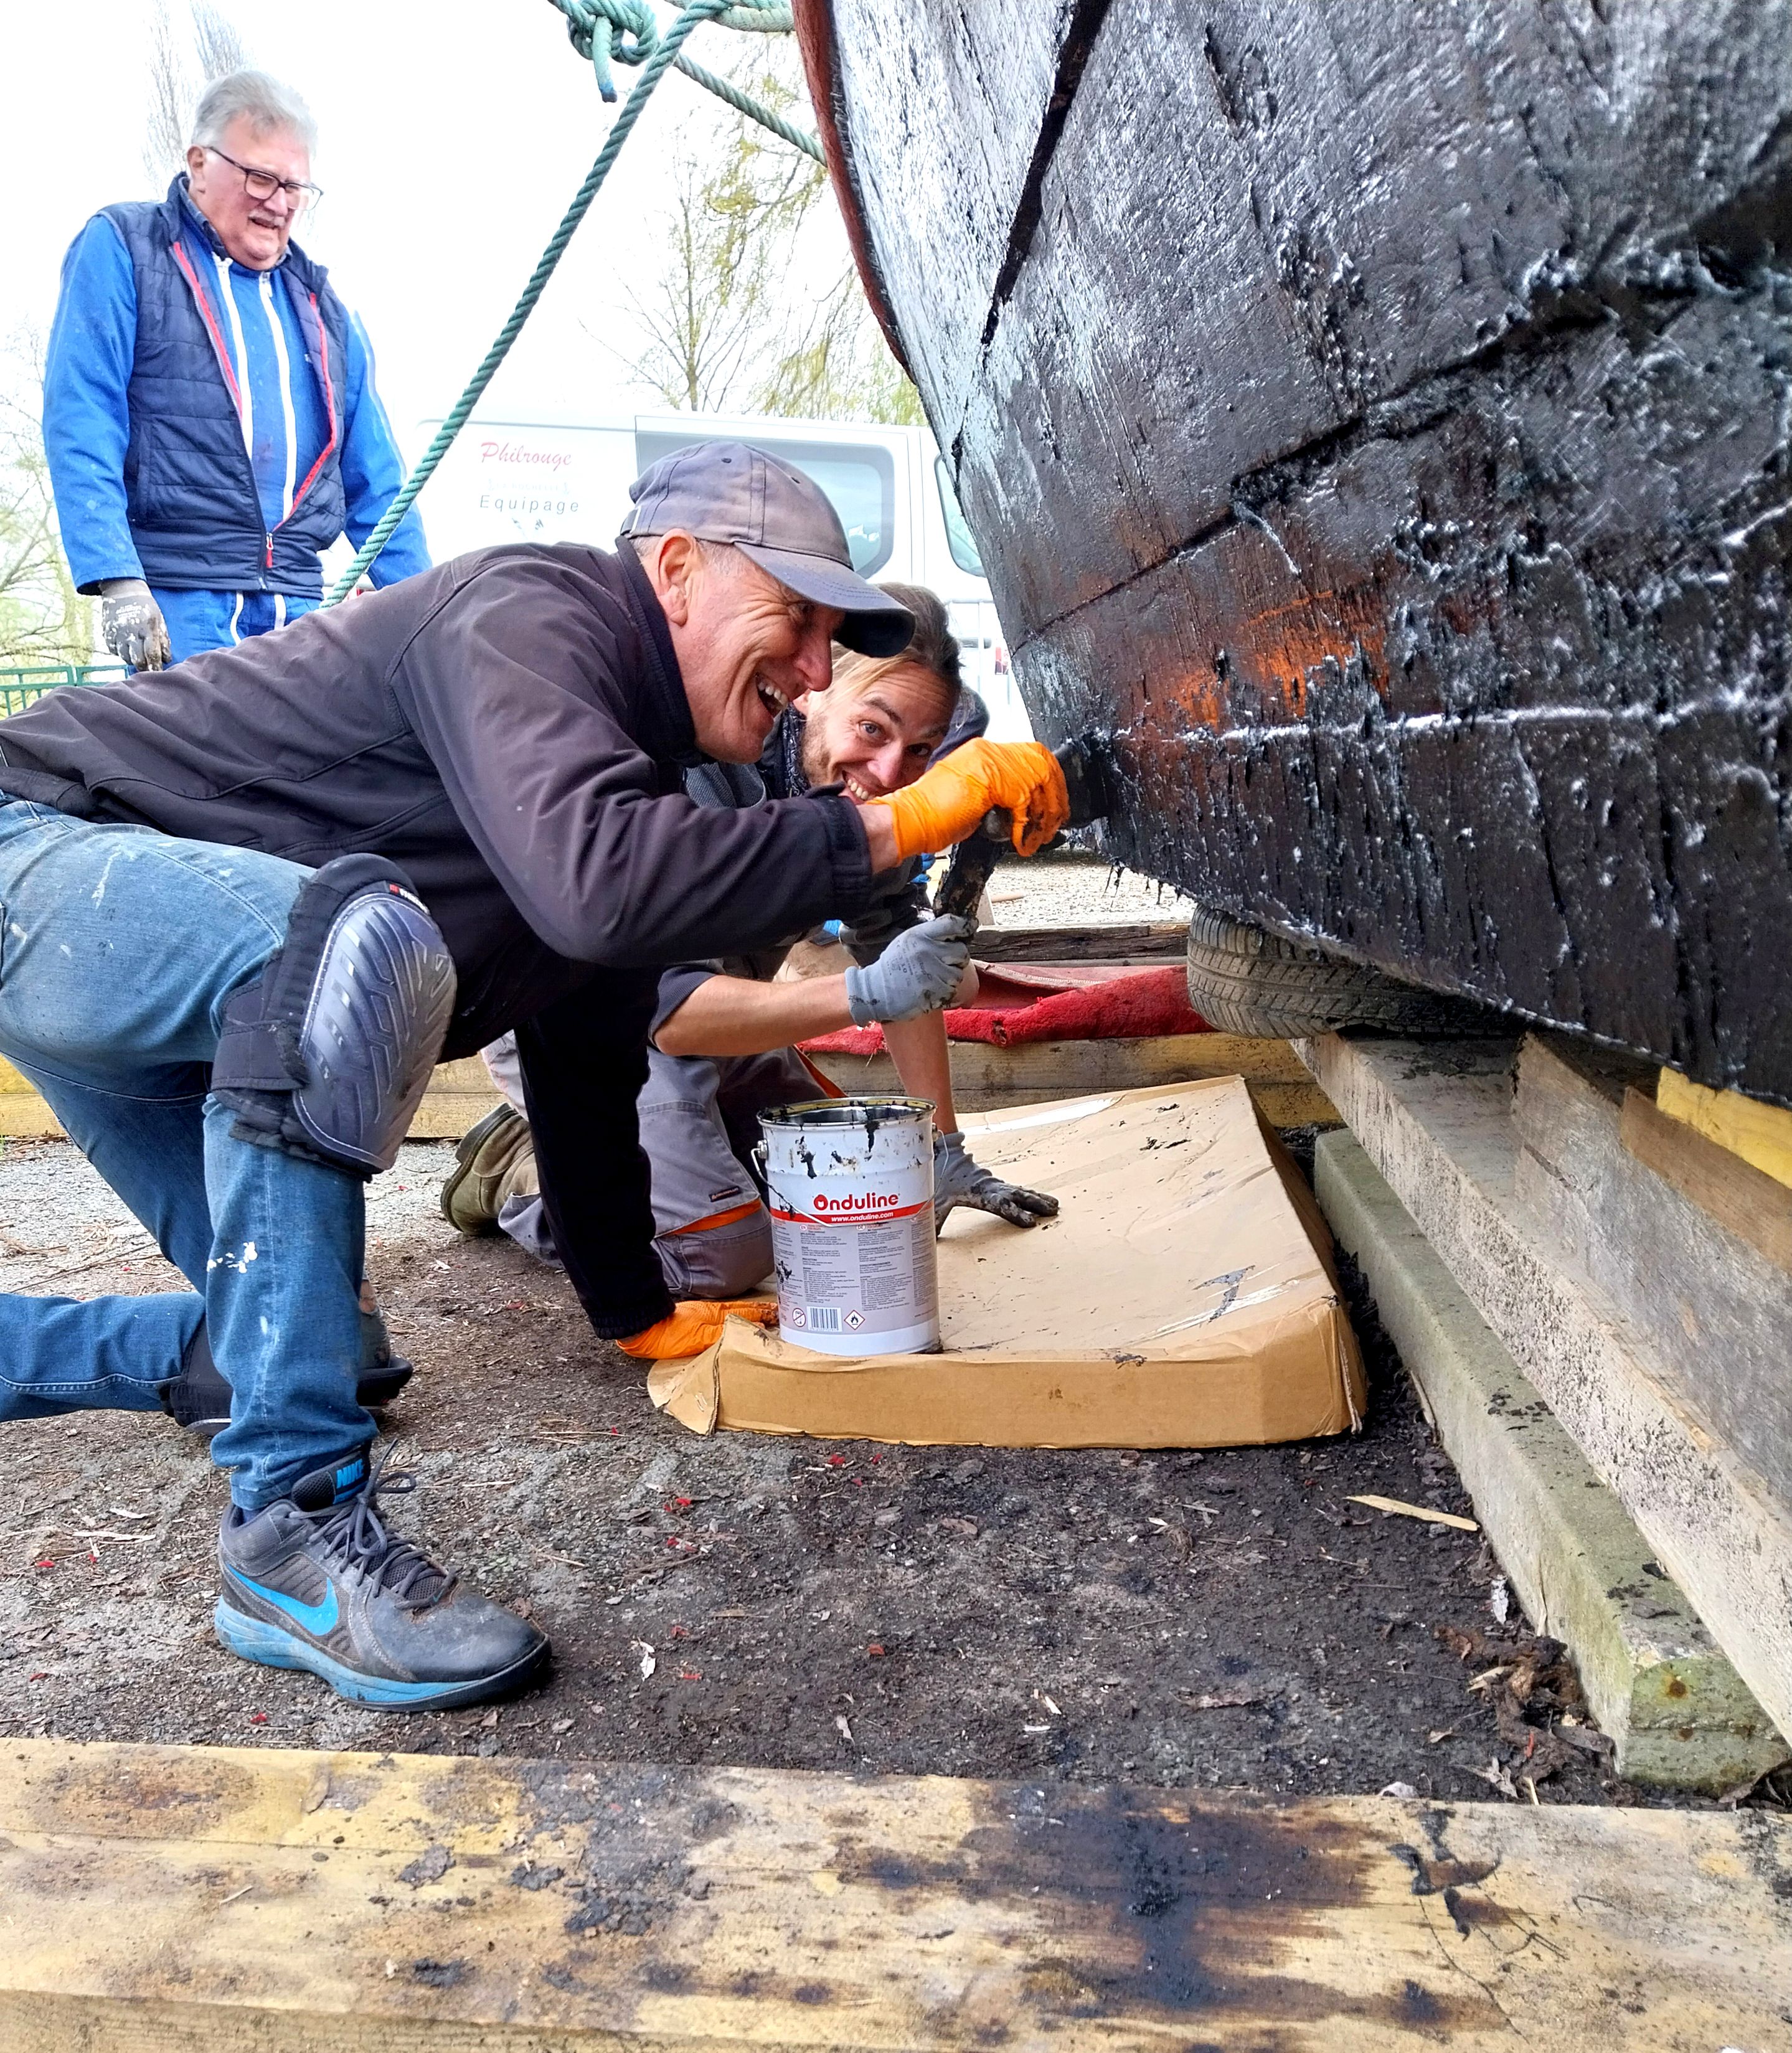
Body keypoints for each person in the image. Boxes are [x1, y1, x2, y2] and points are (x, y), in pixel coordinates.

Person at [0, 440, 1067, 1712]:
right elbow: (603, 888)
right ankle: (291, 1528)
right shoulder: (530, 612)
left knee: (314, 1347)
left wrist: (635, 1307)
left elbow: (587, 1052)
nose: (810, 672)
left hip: (157, 969)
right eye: (793, 620)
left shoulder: (632, 768)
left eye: (829, 643)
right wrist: (907, 815)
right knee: (337, 948)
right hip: (44, 858)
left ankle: (141, 1364)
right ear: (677, 569)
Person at [442, 585, 1058, 1279]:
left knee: (850, 1191)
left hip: (722, 1011)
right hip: (590, 1023)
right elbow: (668, 1014)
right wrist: (864, 993)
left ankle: (647, 1142)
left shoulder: (875, 804)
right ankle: (527, 1166)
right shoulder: (704, 777)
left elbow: (896, 954)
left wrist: (942, 1153)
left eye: (919, 750)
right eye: (872, 729)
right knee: (724, 1252)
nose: (890, 774)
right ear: (811, 691)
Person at [43, 70, 430, 671]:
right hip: (179, 595)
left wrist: (429, 611)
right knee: (188, 736)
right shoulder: (124, 248)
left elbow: (378, 482)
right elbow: (83, 414)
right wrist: (118, 577)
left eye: (295, 187)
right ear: (199, 164)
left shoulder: (326, 313)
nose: (279, 202)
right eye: (260, 178)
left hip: (300, 605)